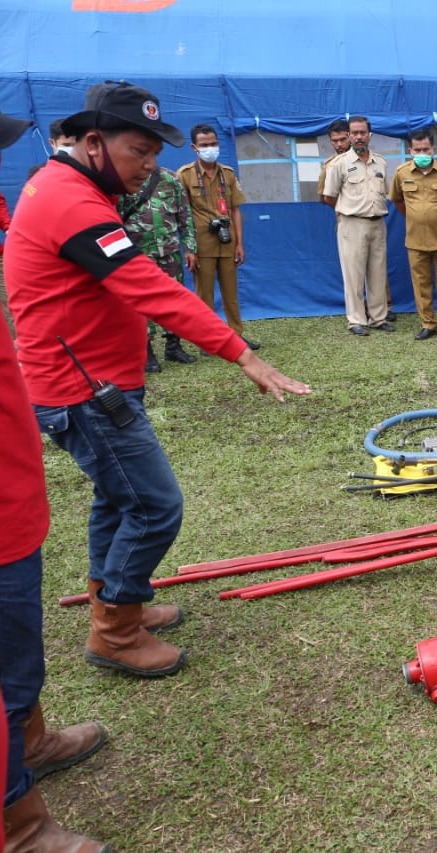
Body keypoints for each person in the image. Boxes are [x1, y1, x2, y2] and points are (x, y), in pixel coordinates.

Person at [4, 81, 311, 680]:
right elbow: (147, 286)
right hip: (84, 388)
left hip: (92, 379)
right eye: (140, 151)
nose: (150, 166)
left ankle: (119, 601)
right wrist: (242, 354)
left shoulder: (69, 187)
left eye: (153, 153)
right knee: (154, 505)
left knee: (117, 500)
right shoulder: (70, 200)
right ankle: (115, 630)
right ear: (94, 142)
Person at [1, 107, 113, 852]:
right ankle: (17, 819)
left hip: (12, 480)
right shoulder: (60, 197)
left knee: (17, 632)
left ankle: (28, 738)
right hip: (52, 412)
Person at [177, 123, 258, 349]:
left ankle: (235, 336)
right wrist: (189, 249)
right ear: (194, 147)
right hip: (202, 244)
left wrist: (240, 243)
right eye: (204, 145)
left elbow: (235, 210)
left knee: (231, 293)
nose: (210, 148)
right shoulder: (184, 175)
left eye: (213, 144)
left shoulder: (228, 174)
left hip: (228, 242)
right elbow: (181, 215)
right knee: (204, 295)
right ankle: (209, 340)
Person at [389, 128, 437, 341]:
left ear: (433, 149)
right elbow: (397, 201)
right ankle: (428, 324)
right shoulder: (402, 172)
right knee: (421, 285)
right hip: (415, 240)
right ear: (410, 150)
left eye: (426, 149)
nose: (422, 153)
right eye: (417, 149)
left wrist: (433, 215)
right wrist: (417, 217)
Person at [119, 167, 199, 370]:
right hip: (139, 254)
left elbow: (185, 215)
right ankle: (146, 352)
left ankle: (173, 346)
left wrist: (190, 248)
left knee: (174, 300)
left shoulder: (170, 178)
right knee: (142, 303)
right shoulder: (124, 179)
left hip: (169, 251)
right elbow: (115, 218)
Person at [322, 116, 392, 335]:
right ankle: (356, 320)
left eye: (363, 133)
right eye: (355, 133)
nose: (359, 137)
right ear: (349, 136)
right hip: (352, 224)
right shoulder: (339, 164)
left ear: (369, 135)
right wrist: (348, 210)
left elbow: (386, 192)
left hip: (378, 222)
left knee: (378, 273)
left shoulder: (381, 162)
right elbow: (329, 196)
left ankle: (378, 318)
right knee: (353, 274)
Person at [317, 119, 351, 204]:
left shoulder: (366, 159)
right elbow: (323, 197)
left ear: (350, 137)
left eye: (343, 139)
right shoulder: (329, 165)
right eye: (335, 141)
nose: (339, 144)